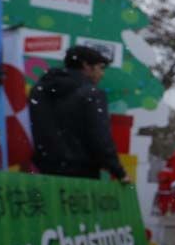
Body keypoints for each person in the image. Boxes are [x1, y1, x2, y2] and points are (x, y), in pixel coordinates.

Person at [29, 44, 128, 182]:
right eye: (100, 68)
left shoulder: (38, 90)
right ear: (86, 65)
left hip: (43, 172)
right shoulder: (91, 94)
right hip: (81, 176)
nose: (102, 74)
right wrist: (119, 172)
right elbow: (100, 137)